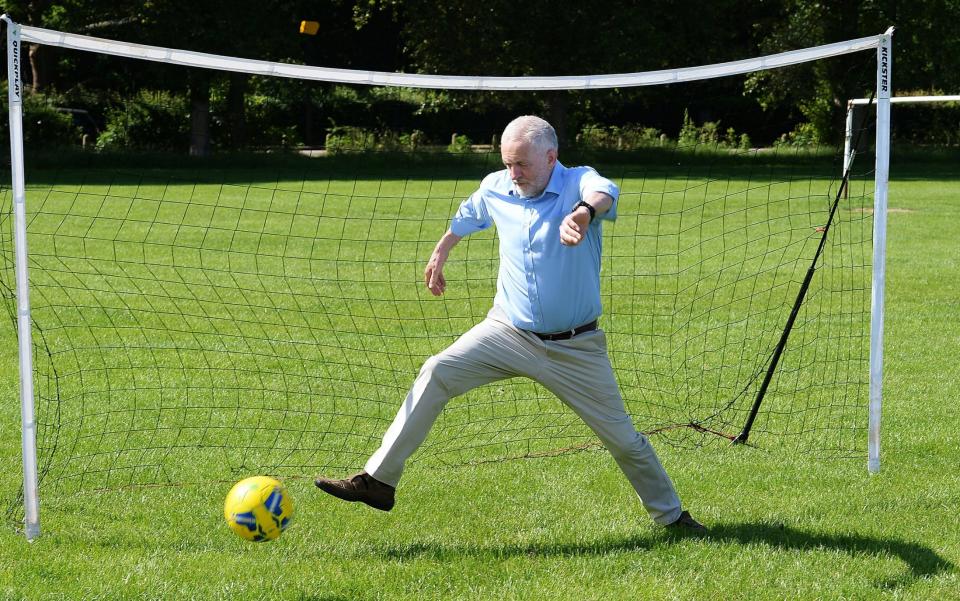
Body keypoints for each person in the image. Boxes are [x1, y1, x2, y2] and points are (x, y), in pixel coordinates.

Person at [315, 115, 706, 532]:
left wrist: (584, 214)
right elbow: (469, 216)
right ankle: (377, 481)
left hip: (575, 346)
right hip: (507, 332)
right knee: (437, 371)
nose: (513, 174)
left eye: (522, 164)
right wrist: (442, 250)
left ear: (551, 157)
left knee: (624, 440)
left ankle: (672, 517)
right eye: (507, 163)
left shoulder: (577, 183)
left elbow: (604, 190)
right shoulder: (497, 186)